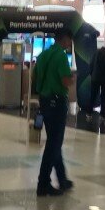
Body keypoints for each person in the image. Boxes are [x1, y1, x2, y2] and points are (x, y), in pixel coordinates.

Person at [34, 28, 74, 196]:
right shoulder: (61, 56)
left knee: (53, 141)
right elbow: (65, 81)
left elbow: (35, 77)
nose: (70, 45)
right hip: (56, 103)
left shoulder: (43, 55)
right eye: (69, 41)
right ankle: (43, 183)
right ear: (64, 40)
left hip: (44, 101)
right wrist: (72, 79)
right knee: (53, 144)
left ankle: (62, 179)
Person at [90, 40, 105, 121]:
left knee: (92, 96)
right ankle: (102, 115)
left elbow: (91, 63)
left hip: (95, 77)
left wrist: (92, 74)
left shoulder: (97, 52)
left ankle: (89, 113)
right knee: (103, 97)